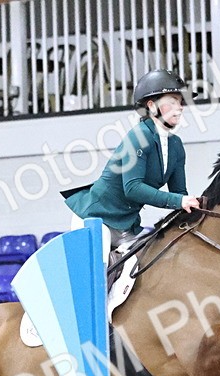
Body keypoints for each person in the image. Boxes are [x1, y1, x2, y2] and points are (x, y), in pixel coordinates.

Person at [63, 69, 203, 250]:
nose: (180, 107)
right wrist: (179, 201)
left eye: (181, 102)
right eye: (172, 102)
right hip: (95, 219)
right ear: (152, 106)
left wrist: (198, 207)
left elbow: (179, 193)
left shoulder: (176, 145)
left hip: (127, 226)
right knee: (99, 271)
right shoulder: (138, 136)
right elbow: (133, 188)